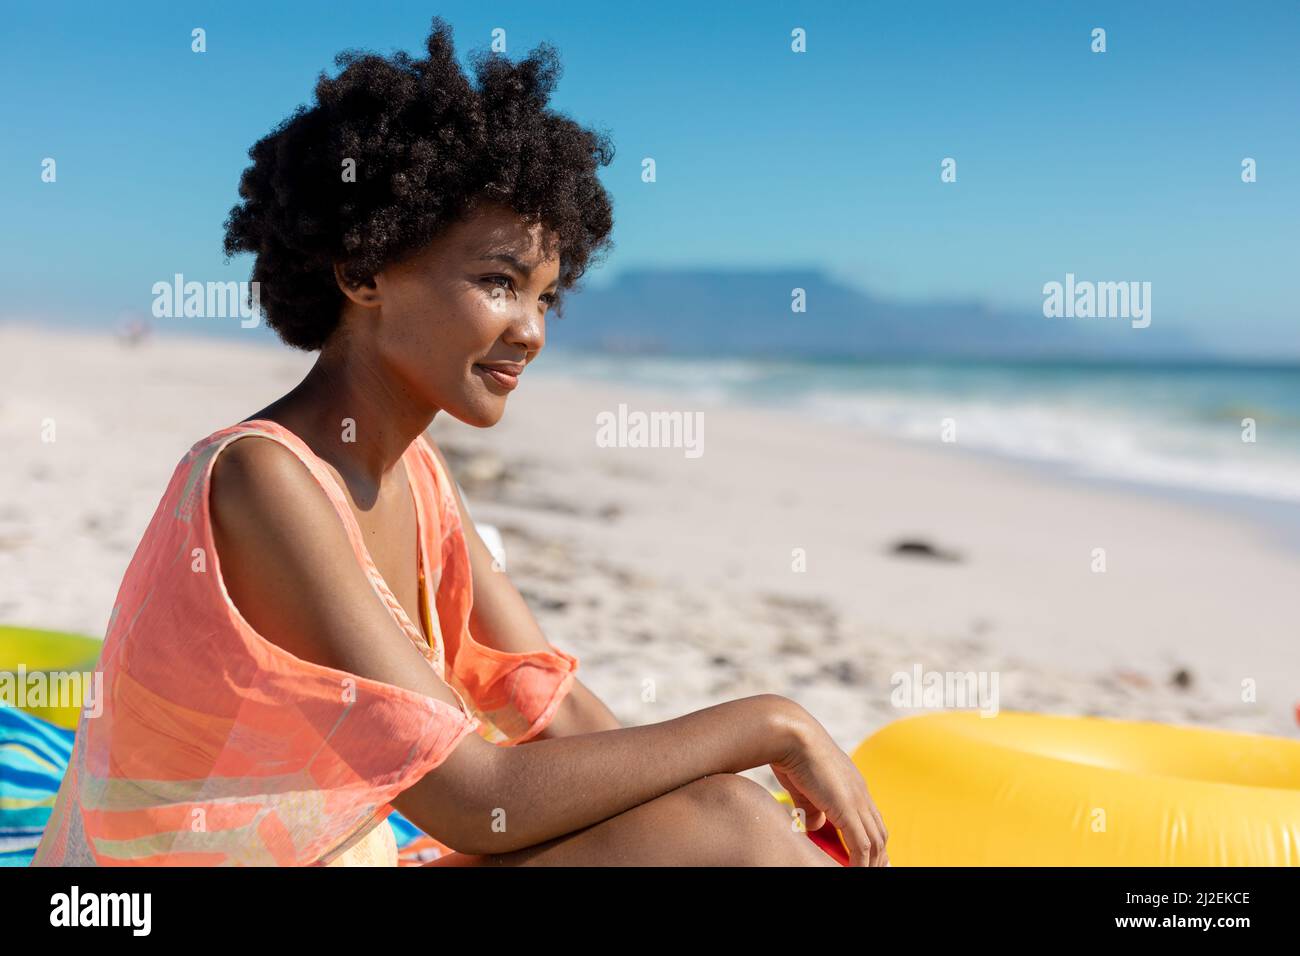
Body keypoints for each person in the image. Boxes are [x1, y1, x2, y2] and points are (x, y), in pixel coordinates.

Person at [31, 16, 887, 868]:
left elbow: (562, 722)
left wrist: (724, 787)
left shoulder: (416, 475)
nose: (532, 331)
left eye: (547, 297)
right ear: (364, 270)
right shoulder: (262, 477)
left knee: (723, 816)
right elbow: (475, 804)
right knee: (727, 825)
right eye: (498, 283)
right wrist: (768, 723)